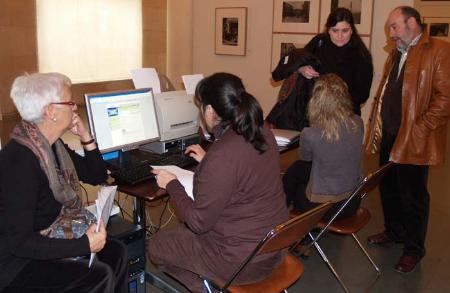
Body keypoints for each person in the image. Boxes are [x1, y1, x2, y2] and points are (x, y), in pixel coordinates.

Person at [148, 72, 288, 293]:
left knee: (157, 246)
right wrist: (209, 161)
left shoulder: (222, 156)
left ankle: (209, 288)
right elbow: (245, 169)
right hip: (273, 249)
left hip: (239, 263)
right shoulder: (262, 132)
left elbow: (198, 223)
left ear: (211, 110)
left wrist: (172, 184)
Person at [0, 72, 128, 292]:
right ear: (51, 111)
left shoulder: (54, 147)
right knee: (98, 276)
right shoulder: (18, 161)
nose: (75, 107)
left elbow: (97, 175)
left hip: (52, 236)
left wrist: (85, 136)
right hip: (18, 264)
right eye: (70, 102)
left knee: (117, 252)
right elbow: (19, 242)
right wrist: (83, 245)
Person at [364, 6, 450, 273]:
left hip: (414, 138)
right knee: (388, 187)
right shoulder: (396, 52)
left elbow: (445, 98)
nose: (391, 33)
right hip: (391, 132)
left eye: (394, 27)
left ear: (412, 22)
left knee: (413, 196)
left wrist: (421, 128)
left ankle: (413, 249)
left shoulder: (439, 50)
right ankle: (395, 232)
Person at [268, 7, 373, 130]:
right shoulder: (319, 43)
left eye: (345, 30)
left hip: (344, 119)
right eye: (335, 30)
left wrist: (331, 101)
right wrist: (301, 68)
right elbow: (297, 60)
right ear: (328, 30)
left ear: (352, 31)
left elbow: (362, 95)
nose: (340, 36)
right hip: (313, 116)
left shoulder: (361, 56)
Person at [283, 73, 364, 220]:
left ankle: (283, 221)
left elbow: (305, 157)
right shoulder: (357, 122)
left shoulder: (311, 134)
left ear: (316, 101)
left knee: (293, 177)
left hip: (322, 208)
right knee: (296, 170)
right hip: (351, 202)